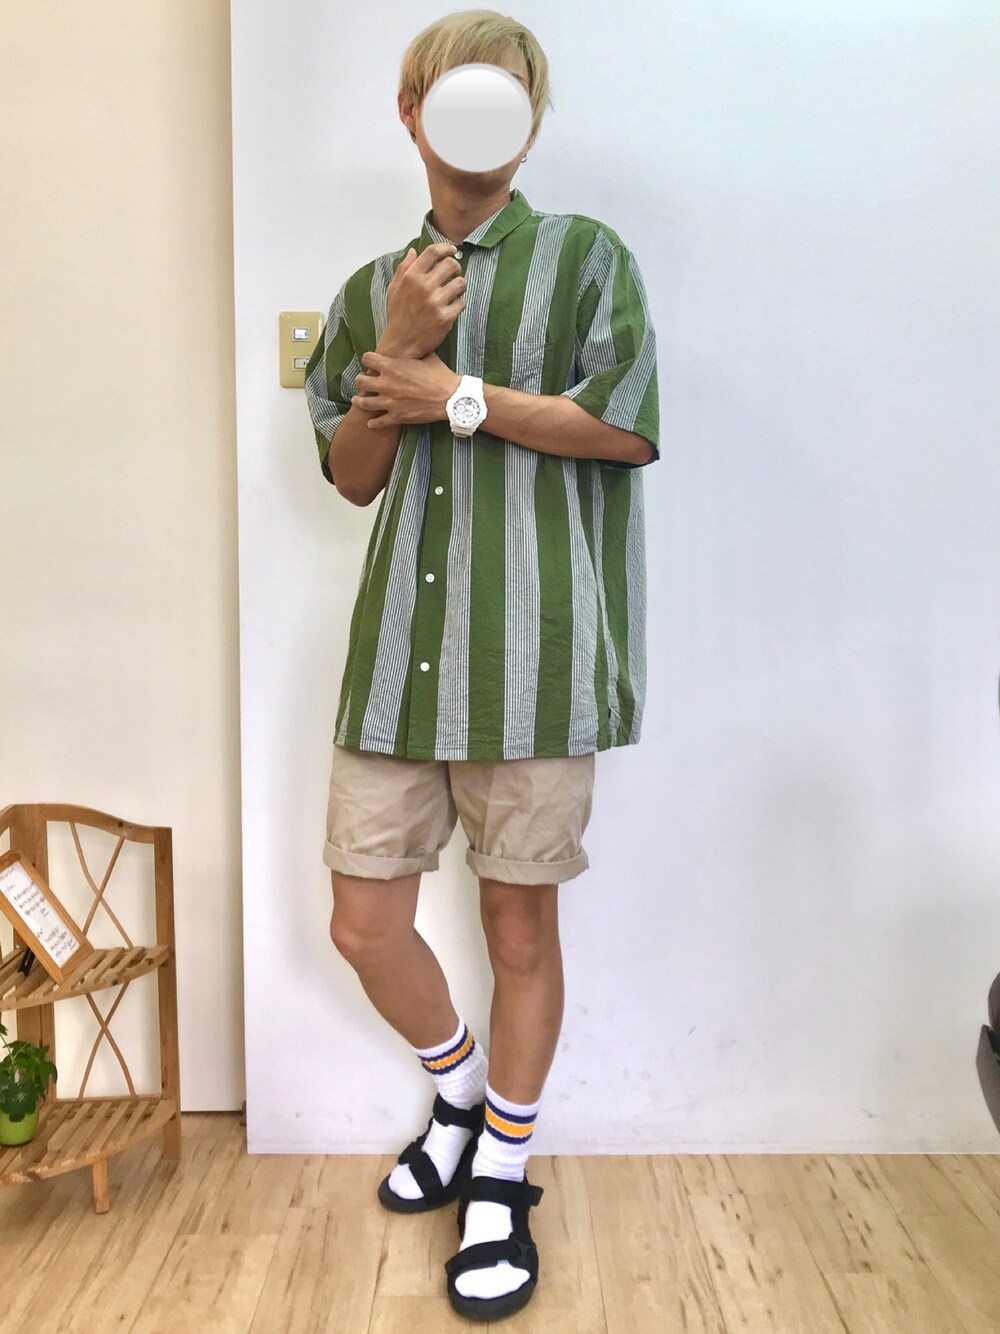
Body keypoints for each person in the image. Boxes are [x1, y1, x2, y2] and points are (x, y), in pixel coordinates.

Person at [303, 10, 659, 1323]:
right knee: (362, 921)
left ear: (530, 117)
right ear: (414, 110)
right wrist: (397, 347)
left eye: (510, 92)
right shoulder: (368, 291)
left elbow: (626, 429)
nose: (484, 111)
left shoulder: (589, 258)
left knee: (519, 930)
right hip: (396, 662)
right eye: (459, 90)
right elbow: (351, 475)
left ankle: (500, 1173)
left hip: (535, 656)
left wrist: (458, 395)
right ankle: (457, 1091)